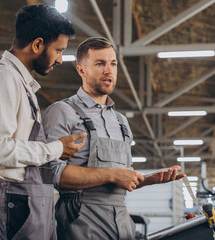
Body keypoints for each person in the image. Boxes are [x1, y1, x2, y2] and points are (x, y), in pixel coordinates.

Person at [42, 37, 185, 240]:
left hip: (122, 223)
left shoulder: (121, 122)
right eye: (100, 64)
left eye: (113, 64)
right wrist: (112, 174)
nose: (109, 70)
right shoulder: (62, 112)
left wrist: (147, 180)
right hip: (80, 223)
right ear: (81, 70)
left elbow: (122, 178)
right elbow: (52, 173)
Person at [0, 5, 87, 240]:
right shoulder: (1, 78)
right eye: (59, 50)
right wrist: (56, 148)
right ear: (37, 44)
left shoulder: (21, 83)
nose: (61, 59)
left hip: (25, 205)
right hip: (11, 208)